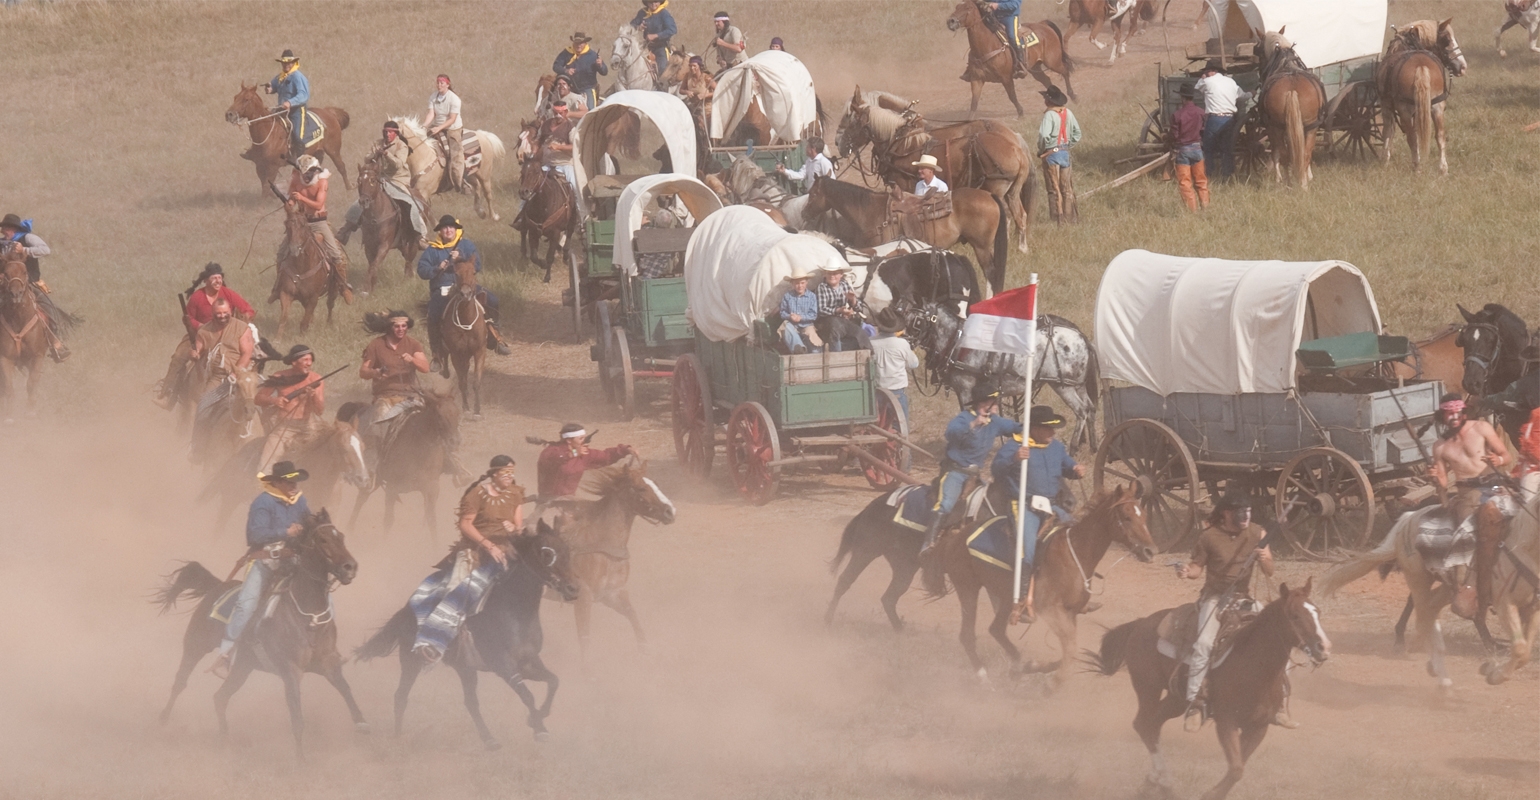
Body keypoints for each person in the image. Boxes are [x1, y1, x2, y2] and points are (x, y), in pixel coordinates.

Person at [409, 456, 528, 661]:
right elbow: (466, 525)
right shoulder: (477, 494)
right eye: (506, 473)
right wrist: (489, 546)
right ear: (494, 474)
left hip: (507, 550)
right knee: (455, 590)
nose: (510, 477)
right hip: (475, 549)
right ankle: (436, 639)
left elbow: (518, 526)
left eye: (512, 473)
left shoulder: (516, 494)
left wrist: (515, 529)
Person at [1178, 493, 1275, 732]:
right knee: (1203, 644)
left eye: (1249, 511)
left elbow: (1270, 570)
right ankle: (1194, 703)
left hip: (1244, 599)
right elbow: (1196, 570)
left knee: (1277, 638)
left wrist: (1264, 559)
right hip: (1215, 599)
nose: (1245, 517)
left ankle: (1277, 703)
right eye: (1240, 512)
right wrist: (1184, 571)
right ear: (1225, 513)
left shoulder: (1258, 533)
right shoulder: (1208, 537)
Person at [209, 460, 312, 678]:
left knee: (320, 593)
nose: (294, 485)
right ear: (277, 482)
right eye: (289, 481)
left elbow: (309, 523)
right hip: (264, 561)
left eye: (295, 480)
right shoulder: (262, 503)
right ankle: (224, 656)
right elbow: (256, 536)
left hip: (293, 561)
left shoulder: (300, 501)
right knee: (247, 604)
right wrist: (287, 532)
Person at [990, 406, 1083, 620]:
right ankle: (1021, 600)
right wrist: (1014, 458)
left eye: (1053, 429)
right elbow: (996, 470)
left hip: (1051, 505)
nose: (1053, 433)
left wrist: (1076, 469)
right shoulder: (1015, 446)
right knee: (1027, 550)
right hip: (1024, 504)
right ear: (1034, 429)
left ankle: (1077, 595)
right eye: (1048, 429)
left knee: (1076, 538)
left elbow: (1067, 466)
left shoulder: (1056, 448)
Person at [921, 384, 1022, 555]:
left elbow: (1013, 427)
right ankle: (928, 543)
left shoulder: (995, 421)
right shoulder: (963, 418)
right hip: (955, 472)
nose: (997, 405)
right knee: (945, 504)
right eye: (993, 401)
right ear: (982, 404)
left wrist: (1031, 428)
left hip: (974, 475)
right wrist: (974, 424)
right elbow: (951, 433)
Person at [415, 215, 511, 371]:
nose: (448, 230)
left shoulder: (466, 245)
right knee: (433, 310)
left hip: (467, 286)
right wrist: (437, 268)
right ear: (440, 231)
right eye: (444, 228)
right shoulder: (432, 250)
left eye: (451, 227)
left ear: (455, 229)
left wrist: (461, 257)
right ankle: (437, 354)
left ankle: (496, 338)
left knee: (492, 300)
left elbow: (477, 265)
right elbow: (421, 270)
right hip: (443, 287)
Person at [156, 263, 256, 409]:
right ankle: (168, 394)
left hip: (227, 334)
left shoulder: (227, 293)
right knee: (178, 357)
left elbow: (248, 309)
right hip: (200, 335)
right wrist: (201, 327)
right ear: (206, 281)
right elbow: (188, 318)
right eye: (214, 278)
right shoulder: (197, 297)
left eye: (219, 278)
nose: (217, 281)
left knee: (254, 353)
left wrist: (243, 320)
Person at [338, 121, 430, 248]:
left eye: (390, 132)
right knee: (362, 200)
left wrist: (387, 154)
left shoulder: (401, 146)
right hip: (379, 178)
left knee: (411, 204)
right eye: (385, 132)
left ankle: (421, 236)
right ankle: (346, 229)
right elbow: (367, 159)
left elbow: (398, 164)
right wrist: (375, 154)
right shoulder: (377, 143)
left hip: (397, 180)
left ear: (396, 133)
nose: (387, 134)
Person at [1430, 394, 1509, 531]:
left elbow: (1507, 456)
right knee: (1469, 531)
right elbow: (1442, 479)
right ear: (1442, 416)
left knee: (1520, 515)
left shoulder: (1481, 427)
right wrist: (1435, 478)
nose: (1454, 417)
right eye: (1450, 414)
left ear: (1464, 414)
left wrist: (1499, 460)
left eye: (1457, 413)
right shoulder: (1439, 446)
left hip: (1495, 486)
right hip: (1468, 495)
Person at [281, 154, 354, 304]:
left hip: (319, 223)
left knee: (336, 255)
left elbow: (318, 205)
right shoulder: (295, 179)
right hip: (302, 222)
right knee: (281, 253)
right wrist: (289, 205)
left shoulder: (322, 182)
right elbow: (290, 202)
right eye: (304, 173)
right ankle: (278, 287)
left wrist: (301, 198)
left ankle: (343, 286)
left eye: (308, 173)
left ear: (315, 170)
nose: (306, 176)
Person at [358, 310, 430, 457]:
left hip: (411, 396)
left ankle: (449, 459)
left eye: (404, 326)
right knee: (380, 423)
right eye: (397, 326)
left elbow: (425, 368)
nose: (401, 329)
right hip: (386, 396)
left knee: (432, 421)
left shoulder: (413, 344)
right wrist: (376, 372)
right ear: (390, 327)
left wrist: (413, 360)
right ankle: (379, 459)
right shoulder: (376, 345)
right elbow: (363, 371)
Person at [0, 214, 70, 361]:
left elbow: (45, 250)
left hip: (30, 282)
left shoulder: (27, 238)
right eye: (3, 228)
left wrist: (24, 250)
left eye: (6, 228)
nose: (3, 231)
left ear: (14, 228)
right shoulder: (2, 243)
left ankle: (56, 344)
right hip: (5, 284)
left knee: (48, 308)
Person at [255, 344, 326, 473]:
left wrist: (313, 396)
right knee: (267, 462)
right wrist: (274, 400)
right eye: (305, 360)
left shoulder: (316, 379)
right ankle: (262, 486)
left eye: (311, 360)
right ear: (294, 362)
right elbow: (258, 399)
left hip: (308, 427)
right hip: (284, 427)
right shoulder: (279, 377)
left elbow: (320, 410)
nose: (309, 363)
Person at [536, 423, 639, 501]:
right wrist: (574, 453)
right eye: (581, 438)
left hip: (569, 501)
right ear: (569, 440)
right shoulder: (550, 451)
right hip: (548, 502)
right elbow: (555, 459)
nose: (584, 441)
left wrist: (626, 449)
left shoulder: (584, 454)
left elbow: (606, 456)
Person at [1194, 60, 1250, 180]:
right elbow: (1243, 97)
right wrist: (1252, 93)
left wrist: (1202, 78)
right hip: (1230, 119)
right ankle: (1227, 175)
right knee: (1227, 149)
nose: (1206, 73)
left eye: (1206, 71)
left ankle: (1209, 173)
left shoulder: (1207, 82)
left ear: (1211, 71)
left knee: (1208, 148)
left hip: (1214, 119)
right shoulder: (1231, 82)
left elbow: (1197, 86)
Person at [1037, 85, 1081, 224]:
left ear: (1048, 100)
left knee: (1053, 190)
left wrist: (1043, 149)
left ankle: (1057, 220)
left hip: (1051, 154)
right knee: (1066, 189)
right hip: (1064, 152)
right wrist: (1067, 145)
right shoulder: (1068, 112)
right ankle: (1069, 218)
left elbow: (1044, 136)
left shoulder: (1049, 115)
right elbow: (1077, 134)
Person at [870, 308, 918, 419]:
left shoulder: (870, 342)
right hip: (897, 392)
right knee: (900, 426)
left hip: (876, 392)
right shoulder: (902, 343)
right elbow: (914, 364)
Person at [265, 49, 312, 161]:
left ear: (293, 63)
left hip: (296, 111)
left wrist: (290, 102)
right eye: (284, 63)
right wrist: (270, 89)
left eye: (288, 63)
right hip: (282, 110)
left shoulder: (297, 77)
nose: (286, 65)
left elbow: (304, 95)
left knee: (296, 134)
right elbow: (273, 86)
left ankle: (300, 158)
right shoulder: (280, 76)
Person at [422, 74, 465, 193]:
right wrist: (424, 126)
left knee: (455, 154)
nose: (439, 85)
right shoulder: (433, 97)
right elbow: (431, 114)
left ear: (448, 84)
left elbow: (452, 119)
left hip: (453, 128)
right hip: (437, 126)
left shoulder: (454, 99)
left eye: (442, 83)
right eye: (438, 83)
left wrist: (439, 128)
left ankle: (459, 182)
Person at [1171, 84, 1209, 212]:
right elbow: (1203, 131)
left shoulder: (1177, 115)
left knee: (1185, 183)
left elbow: (1175, 136)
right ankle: (1205, 207)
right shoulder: (1201, 112)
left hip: (1183, 151)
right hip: (1197, 150)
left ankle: (1192, 211)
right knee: (1201, 181)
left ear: (1182, 98)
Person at [813, 265, 869, 353]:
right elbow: (821, 310)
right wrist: (838, 310)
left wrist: (853, 300)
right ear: (825, 275)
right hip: (826, 321)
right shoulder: (822, 287)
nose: (832, 276)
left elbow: (858, 308)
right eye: (829, 273)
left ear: (841, 275)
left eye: (835, 274)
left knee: (860, 333)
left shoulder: (844, 285)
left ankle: (870, 358)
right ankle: (837, 356)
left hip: (843, 320)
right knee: (835, 329)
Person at [552, 31, 608, 112]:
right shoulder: (567, 53)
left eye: (581, 43)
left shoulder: (592, 55)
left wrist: (600, 65)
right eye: (576, 43)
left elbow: (604, 72)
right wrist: (565, 71)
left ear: (585, 43)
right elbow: (555, 66)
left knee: (591, 111)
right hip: (570, 89)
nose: (578, 45)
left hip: (588, 88)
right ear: (573, 43)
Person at [778, 269, 820, 354]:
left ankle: (817, 353)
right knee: (786, 327)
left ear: (806, 282)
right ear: (792, 284)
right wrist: (790, 316)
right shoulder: (788, 296)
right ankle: (800, 349)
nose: (800, 286)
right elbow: (782, 312)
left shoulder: (811, 296)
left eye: (802, 283)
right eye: (797, 283)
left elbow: (813, 315)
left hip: (806, 324)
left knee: (812, 337)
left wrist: (800, 318)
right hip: (792, 325)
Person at [631, 0, 677, 77]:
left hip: (660, 47)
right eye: (651, 2)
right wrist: (638, 27)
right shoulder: (642, 13)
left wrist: (656, 35)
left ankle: (660, 86)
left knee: (662, 68)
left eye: (656, 2)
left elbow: (672, 30)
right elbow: (632, 25)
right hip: (646, 47)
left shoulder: (664, 14)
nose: (653, 4)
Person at [539, 100, 579, 189]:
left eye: (560, 113)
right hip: (548, 164)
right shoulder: (546, 125)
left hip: (565, 164)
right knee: (533, 185)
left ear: (566, 112)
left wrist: (559, 147)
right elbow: (539, 141)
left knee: (574, 187)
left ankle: (577, 203)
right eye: (555, 113)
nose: (558, 116)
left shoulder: (571, 127)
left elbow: (575, 147)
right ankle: (524, 203)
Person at [985, 1, 1026, 74]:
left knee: (1012, 36)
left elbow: (1015, 4)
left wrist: (998, 5)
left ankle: (1021, 64)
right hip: (995, 17)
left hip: (1010, 17)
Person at [679, 56, 717, 122]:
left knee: (701, 121)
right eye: (690, 66)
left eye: (694, 66)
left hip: (706, 108)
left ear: (699, 66)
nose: (692, 68)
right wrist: (687, 92)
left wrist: (706, 95)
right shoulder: (688, 76)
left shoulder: (706, 77)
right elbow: (681, 90)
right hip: (693, 106)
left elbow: (718, 91)